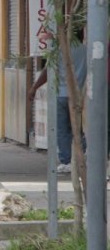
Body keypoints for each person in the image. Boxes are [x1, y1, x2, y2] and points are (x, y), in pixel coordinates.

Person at [30, 40, 87, 173]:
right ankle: (81, 158)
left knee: (62, 129)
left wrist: (34, 88)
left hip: (61, 94)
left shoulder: (58, 49)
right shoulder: (85, 50)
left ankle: (66, 161)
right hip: (78, 95)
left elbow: (47, 71)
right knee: (78, 128)